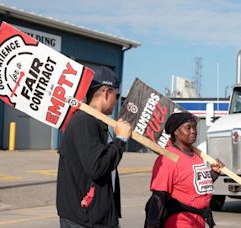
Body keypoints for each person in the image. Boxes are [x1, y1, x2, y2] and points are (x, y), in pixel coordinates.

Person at [56, 66, 132, 228]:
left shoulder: (94, 122)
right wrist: (120, 140)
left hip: (92, 215)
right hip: (84, 218)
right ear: (106, 92)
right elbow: (97, 167)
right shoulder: (85, 122)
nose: (116, 101)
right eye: (116, 96)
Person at [144, 112, 224, 228]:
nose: (193, 131)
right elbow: (159, 196)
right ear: (175, 132)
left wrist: (213, 173)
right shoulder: (168, 158)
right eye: (188, 128)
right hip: (180, 219)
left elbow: (196, 186)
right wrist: (152, 224)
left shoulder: (197, 155)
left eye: (194, 127)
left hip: (198, 220)